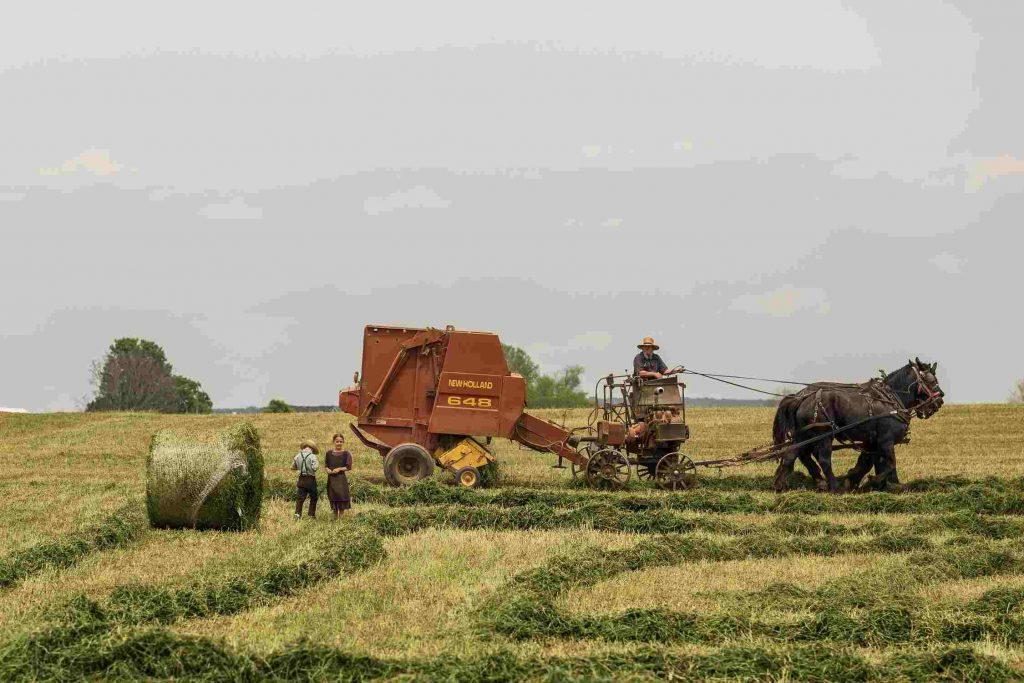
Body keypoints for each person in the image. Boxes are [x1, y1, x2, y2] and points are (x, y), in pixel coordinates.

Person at [324, 432, 353, 518]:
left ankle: (341, 517)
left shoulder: (346, 454)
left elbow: (348, 467)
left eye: (341, 441)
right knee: (333, 496)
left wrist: (339, 469)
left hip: (341, 479)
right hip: (332, 479)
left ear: (343, 442)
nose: (339, 443)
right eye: (337, 441)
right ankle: (335, 516)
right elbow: (326, 465)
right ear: (334, 442)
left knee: (341, 496)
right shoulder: (328, 453)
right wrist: (328, 470)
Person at [292, 439, 319, 519]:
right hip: (310, 479)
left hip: (301, 479)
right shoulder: (313, 456)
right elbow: (315, 468)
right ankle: (311, 514)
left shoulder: (297, 455)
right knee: (314, 497)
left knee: (300, 498)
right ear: (312, 448)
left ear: (304, 447)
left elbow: (293, 467)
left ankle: (297, 514)